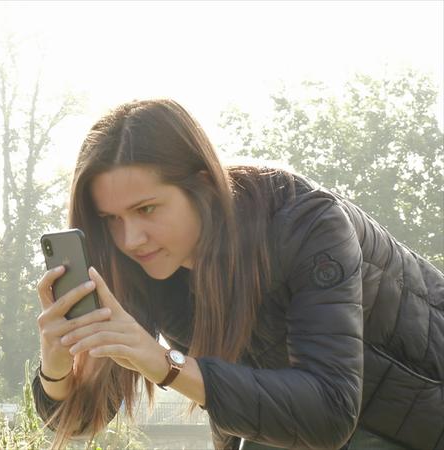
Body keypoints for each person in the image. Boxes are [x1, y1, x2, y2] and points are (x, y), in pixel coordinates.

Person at [31, 98, 443, 450]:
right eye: (111, 219)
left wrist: (166, 364)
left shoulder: (308, 223)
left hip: (412, 424)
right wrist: (58, 363)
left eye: (147, 209)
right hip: (288, 427)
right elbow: (85, 420)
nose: (131, 238)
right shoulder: (145, 264)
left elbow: (330, 411)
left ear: (205, 187)